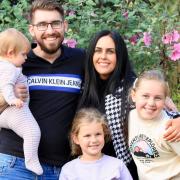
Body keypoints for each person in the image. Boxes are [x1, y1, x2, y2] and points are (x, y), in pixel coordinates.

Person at [78, 29, 180, 179]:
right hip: (92, 170)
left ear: (120, 56)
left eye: (110, 51)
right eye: (98, 51)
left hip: (126, 172)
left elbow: (165, 111)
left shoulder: (133, 89)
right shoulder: (85, 88)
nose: (103, 57)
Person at [0, 0, 85, 179]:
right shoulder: (17, 61)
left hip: (62, 168)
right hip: (16, 164)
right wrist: (6, 97)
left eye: (55, 23)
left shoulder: (80, 59)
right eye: (42, 24)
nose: (50, 30)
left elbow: (115, 75)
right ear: (31, 29)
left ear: (65, 25)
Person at [0, 28, 43, 175]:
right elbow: (6, 86)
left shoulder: (4, 66)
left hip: (7, 113)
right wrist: (12, 99)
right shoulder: (10, 69)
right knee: (32, 132)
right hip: (14, 110)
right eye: (23, 54)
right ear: (11, 52)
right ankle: (31, 161)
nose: (26, 58)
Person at [128, 69, 180, 180]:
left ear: (165, 100)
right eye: (145, 96)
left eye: (158, 98)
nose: (151, 103)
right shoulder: (129, 117)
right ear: (134, 95)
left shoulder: (170, 129)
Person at [59, 108, 133, 180]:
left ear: (104, 134)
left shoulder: (117, 165)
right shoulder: (68, 170)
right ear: (76, 139)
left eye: (98, 134)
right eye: (87, 135)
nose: (94, 140)